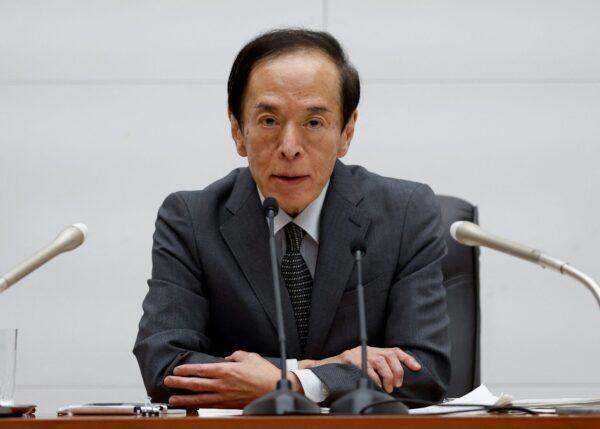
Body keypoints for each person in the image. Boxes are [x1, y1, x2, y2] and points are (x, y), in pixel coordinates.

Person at [133, 28, 450, 408]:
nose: (289, 148)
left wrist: (297, 383)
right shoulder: (190, 219)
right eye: (268, 121)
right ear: (238, 130)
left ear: (347, 131)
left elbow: (425, 369)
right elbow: (165, 366)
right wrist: (313, 371)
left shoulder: (404, 213)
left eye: (313, 122)